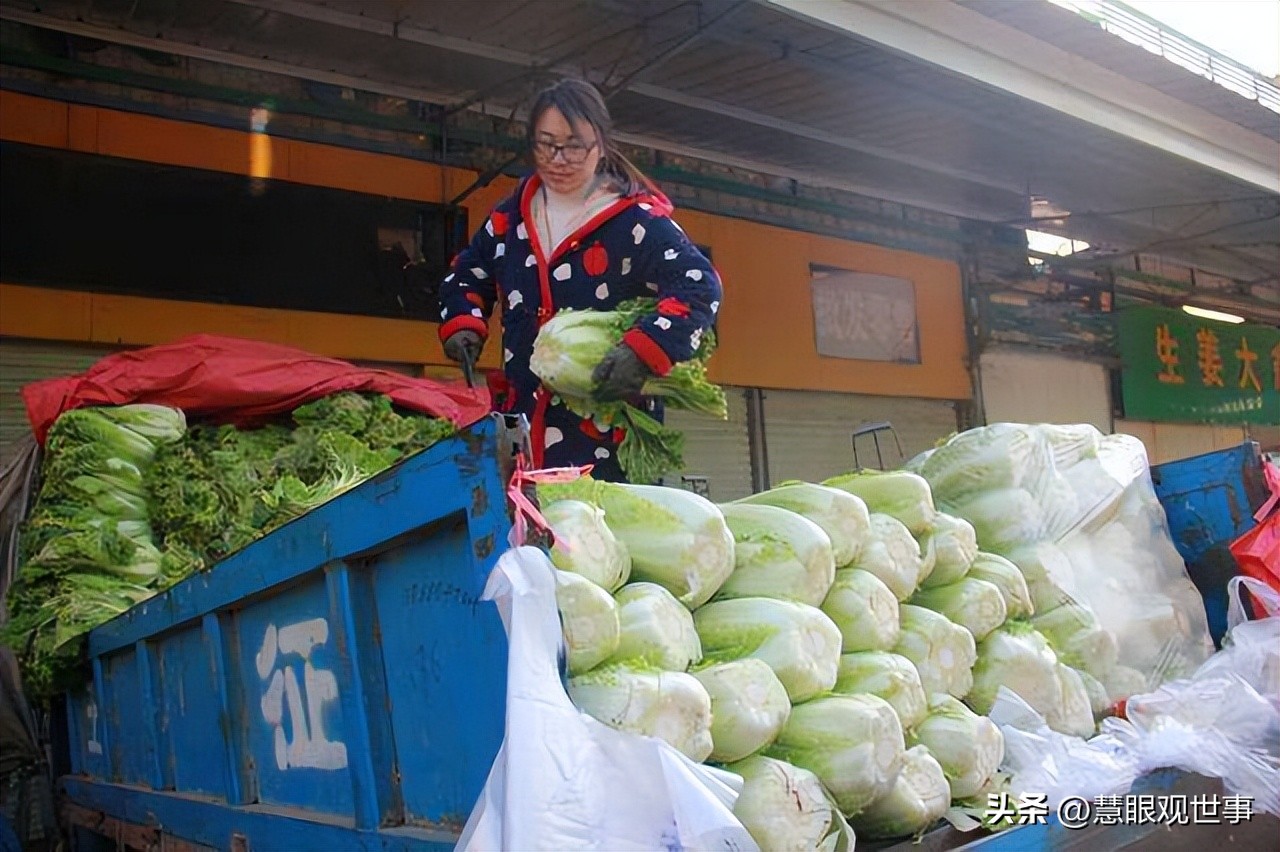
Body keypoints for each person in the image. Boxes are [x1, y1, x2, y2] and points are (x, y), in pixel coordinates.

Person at [436, 78, 722, 482]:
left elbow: (698, 285)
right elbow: (469, 271)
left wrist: (643, 350)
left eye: (574, 145)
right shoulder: (510, 218)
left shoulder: (635, 221)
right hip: (521, 439)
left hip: (604, 445)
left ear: (600, 145)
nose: (559, 158)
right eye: (546, 144)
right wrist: (463, 319)